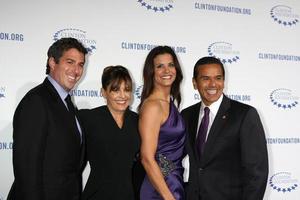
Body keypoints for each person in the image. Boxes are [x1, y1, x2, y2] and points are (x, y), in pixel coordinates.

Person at [7, 37, 88, 200]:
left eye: (80, 64)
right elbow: (27, 170)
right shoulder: (36, 101)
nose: (76, 71)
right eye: (70, 62)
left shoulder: (67, 103)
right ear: (52, 62)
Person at [181, 56, 269, 200]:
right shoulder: (187, 115)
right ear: (194, 83)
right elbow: (173, 155)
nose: (213, 84)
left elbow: (256, 173)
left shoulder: (244, 114)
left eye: (218, 78)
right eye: (205, 78)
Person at [79, 65, 142, 200]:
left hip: (129, 194)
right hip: (97, 194)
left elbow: (150, 157)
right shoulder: (88, 119)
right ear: (103, 92)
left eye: (127, 89)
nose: (122, 95)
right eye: (115, 90)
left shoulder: (137, 121)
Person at [138, 46, 186, 200]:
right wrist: (168, 197)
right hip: (159, 189)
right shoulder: (153, 106)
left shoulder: (169, 103)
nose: (167, 71)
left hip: (173, 182)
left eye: (171, 65)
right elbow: (147, 157)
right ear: (151, 72)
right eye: (160, 66)